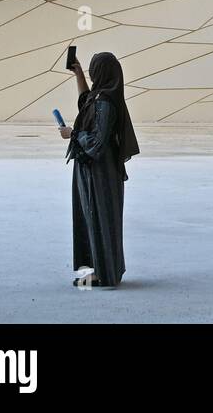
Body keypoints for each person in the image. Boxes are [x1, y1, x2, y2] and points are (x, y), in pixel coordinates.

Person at [58, 51, 139, 288]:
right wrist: (78, 74)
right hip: (97, 171)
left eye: (93, 69)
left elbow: (96, 141)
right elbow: (86, 101)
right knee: (99, 220)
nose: (92, 74)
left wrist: (72, 133)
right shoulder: (103, 96)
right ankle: (106, 270)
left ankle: (104, 275)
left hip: (98, 173)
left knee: (99, 219)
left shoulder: (105, 101)